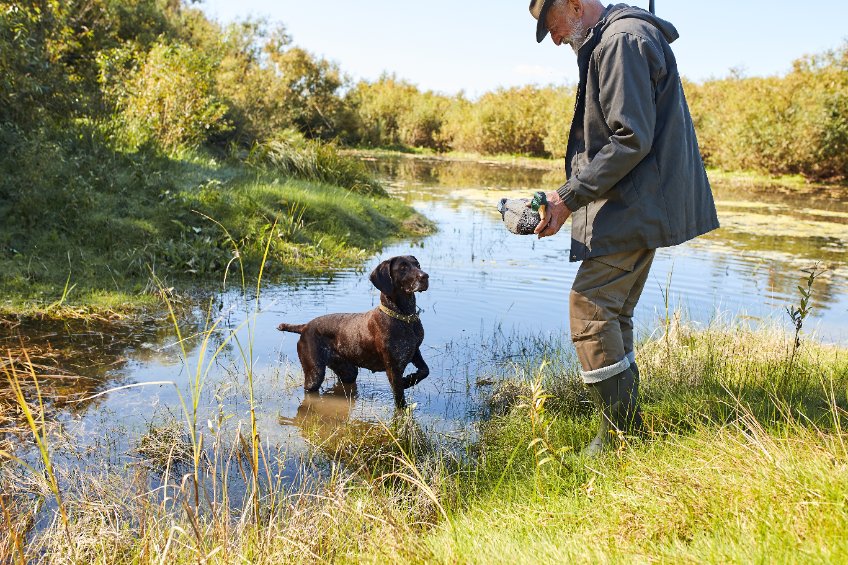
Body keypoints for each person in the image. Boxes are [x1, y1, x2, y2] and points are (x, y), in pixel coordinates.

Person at [527, 0, 719, 455]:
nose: (554, 39)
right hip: (636, 205)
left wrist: (567, 197)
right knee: (613, 314)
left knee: (590, 311)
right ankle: (628, 434)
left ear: (574, 5)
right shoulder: (614, 38)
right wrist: (566, 198)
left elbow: (630, 138)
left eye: (551, 27)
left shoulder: (619, 41)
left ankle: (616, 440)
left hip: (635, 206)